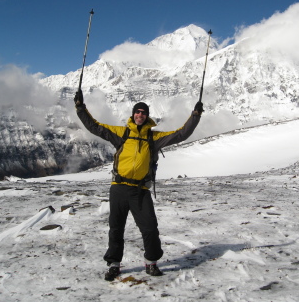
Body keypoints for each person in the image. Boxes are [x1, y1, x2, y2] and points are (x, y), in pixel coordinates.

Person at [74, 90, 203, 281]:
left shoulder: (154, 138)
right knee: (116, 228)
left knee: (150, 228)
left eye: (143, 112)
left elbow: (181, 134)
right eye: (137, 112)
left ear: (147, 116)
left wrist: (196, 115)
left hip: (140, 190)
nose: (140, 115)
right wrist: (80, 108)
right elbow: (94, 127)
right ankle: (114, 265)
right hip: (118, 187)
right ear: (133, 114)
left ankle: (151, 262)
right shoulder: (122, 133)